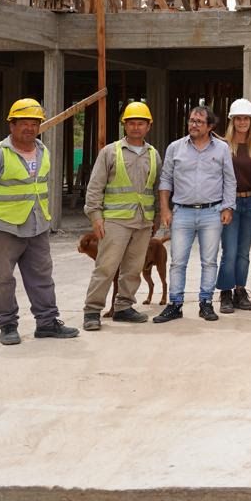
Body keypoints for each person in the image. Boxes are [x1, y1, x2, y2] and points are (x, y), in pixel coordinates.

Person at [0, 97, 78, 345]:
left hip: (37, 225)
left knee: (42, 276)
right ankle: (7, 325)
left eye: (34, 123)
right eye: (23, 122)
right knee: (4, 278)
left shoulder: (43, 151)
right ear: (11, 126)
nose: (29, 127)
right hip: (6, 227)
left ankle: (47, 322)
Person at [81, 101, 161, 331]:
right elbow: (95, 187)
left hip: (143, 221)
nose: (136, 127)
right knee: (106, 266)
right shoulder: (110, 152)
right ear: (124, 125)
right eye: (131, 123)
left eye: (141, 123)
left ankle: (124, 307)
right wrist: (95, 216)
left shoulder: (153, 154)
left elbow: (155, 189)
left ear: (148, 126)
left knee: (134, 268)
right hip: (115, 221)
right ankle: (92, 310)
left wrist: (154, 219)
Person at [154, 104, 236, 323]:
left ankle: (206, 303)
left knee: (209, 261)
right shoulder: (175, 148)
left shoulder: (221, 149)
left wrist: (228, 207)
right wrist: (165, 209)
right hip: (182, 212)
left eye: (199, 122)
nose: (193, 125)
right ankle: (175, 304)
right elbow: (165, 180)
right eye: (191, 120)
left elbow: (229, 179)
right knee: (177, 261)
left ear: (210, 126)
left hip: (212, 212)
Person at [217, 98, 251, 314]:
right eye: (238, 118)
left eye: (246, 118)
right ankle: (225, 292)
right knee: (230, 251)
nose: (242, 122)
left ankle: (240, 291)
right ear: (232, 121)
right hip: (230, 203)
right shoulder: (222, 145)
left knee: (243, 252)